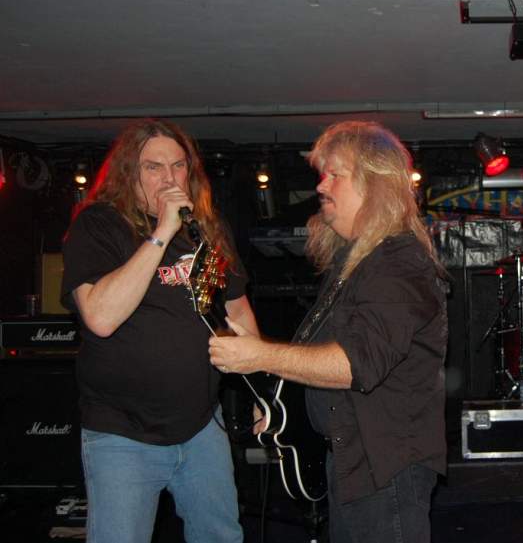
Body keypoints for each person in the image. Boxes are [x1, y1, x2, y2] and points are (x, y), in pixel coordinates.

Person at [209, 120, 447, 543]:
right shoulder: (354, 263)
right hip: (355, 461)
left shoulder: (397, 263)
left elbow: (355, 364)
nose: (321, 185)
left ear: (375, 185)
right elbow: (324, 353)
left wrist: (260, 355)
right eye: (322, 174)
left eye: (336, 174)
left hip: (385, 468)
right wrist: (283, 403)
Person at [61, 119, 257, 543]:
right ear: (129, 173)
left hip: (201, 426)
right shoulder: (99, 226)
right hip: (123, 432)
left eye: (178, 166)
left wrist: (259, 386)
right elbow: (100, 317)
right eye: (154, 167)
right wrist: (162, 233)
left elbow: (234, 308)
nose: (169, 179)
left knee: (221, 536)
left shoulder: (204, 230)